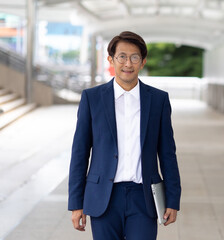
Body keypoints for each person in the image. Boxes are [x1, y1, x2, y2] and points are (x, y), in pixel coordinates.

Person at [68, 31, 181, 240]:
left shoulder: (158, 100)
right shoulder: (92, 99)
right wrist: (76, 203)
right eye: (122, 56)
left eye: (134, 57)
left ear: (143, 62)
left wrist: (173, 200)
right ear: (111, 59)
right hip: (104, 197)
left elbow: (167, 154)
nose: (128, 63)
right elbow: (80, 153)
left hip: (144, 197)